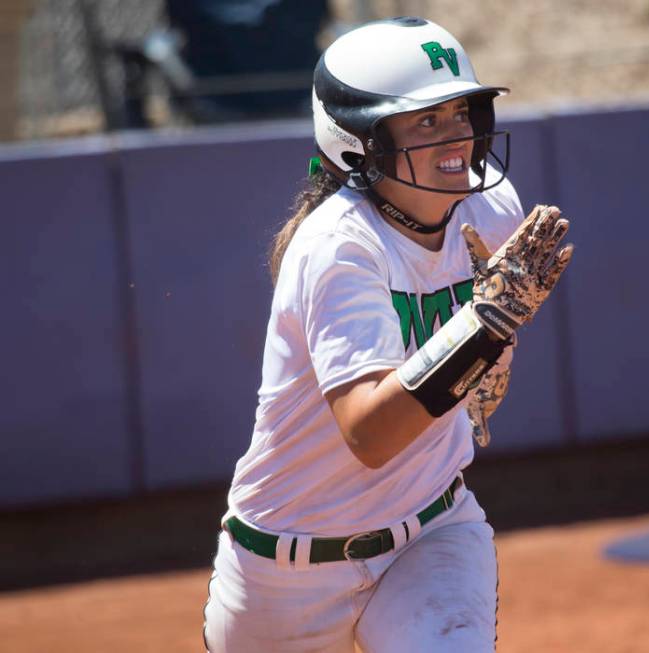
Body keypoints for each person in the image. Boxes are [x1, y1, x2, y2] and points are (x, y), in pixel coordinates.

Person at [202, 16, 572, 652]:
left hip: (432, 533)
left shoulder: (492, 208)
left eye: (461, 112)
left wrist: (482, 363)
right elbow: (371, 434)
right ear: (361, 142)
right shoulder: (338, 248)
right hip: (285, 570)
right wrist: (485, 328)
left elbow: (473, 362)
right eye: (425, 121)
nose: (456, 134)